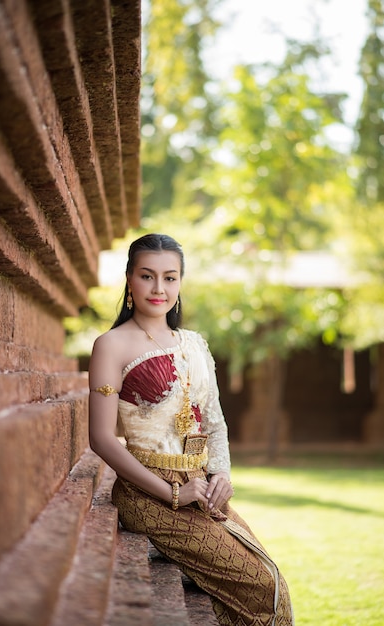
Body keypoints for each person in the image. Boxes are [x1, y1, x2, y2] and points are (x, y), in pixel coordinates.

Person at [89, 233, 294, 626]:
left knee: (271, 581)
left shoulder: (194, 344)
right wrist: (172, 493)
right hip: (147, 492)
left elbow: (215, 423)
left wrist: (222, 476)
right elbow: (100, 439)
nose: (158, 288)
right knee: (262, 587)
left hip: (200, 486)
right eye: (147, 276)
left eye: (170, 277)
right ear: (129, 277)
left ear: (180, 282)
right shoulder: (110, 345)